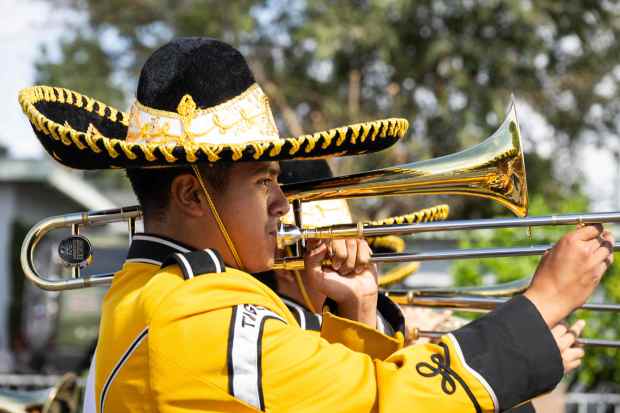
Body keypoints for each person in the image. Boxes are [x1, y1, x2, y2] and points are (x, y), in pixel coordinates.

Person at [19, 37, 613, 413]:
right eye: (262, 182)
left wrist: (358, 310)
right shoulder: (196, 313)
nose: (281, 202)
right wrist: (538, 306)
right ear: (189, 195)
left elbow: (332, 389)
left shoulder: (178, 295)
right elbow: (385, 404)